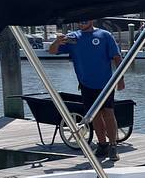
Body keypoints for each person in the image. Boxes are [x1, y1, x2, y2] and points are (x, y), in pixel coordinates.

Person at [48, 19, 125, 161]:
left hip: (106, 83)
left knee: (108, 112)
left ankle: (113, 146)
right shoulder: (73, 38)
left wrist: (120, 79)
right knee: (94, 115)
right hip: (86, 84)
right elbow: (52, 51)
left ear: (91, 20)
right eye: (79, 20)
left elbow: (117, 57)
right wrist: (57, 42)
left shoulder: (105, 35)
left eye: (84, 20)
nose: (81, 22)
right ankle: (102, 145)